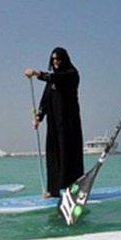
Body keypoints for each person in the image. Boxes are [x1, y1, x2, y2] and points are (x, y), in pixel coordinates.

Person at [25, 47, 84, 198]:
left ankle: (71, 188)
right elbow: (45, 100)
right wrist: (38, 117)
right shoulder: (51, 81)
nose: (56, 62)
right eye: (53, 59)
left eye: (58, 59)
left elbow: (57, 78)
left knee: (67, 154)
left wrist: (37, 73)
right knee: (53, 155)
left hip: (68, 124)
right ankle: (53, 189)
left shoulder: (71, 74)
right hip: (53, 124)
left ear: (64, 59)